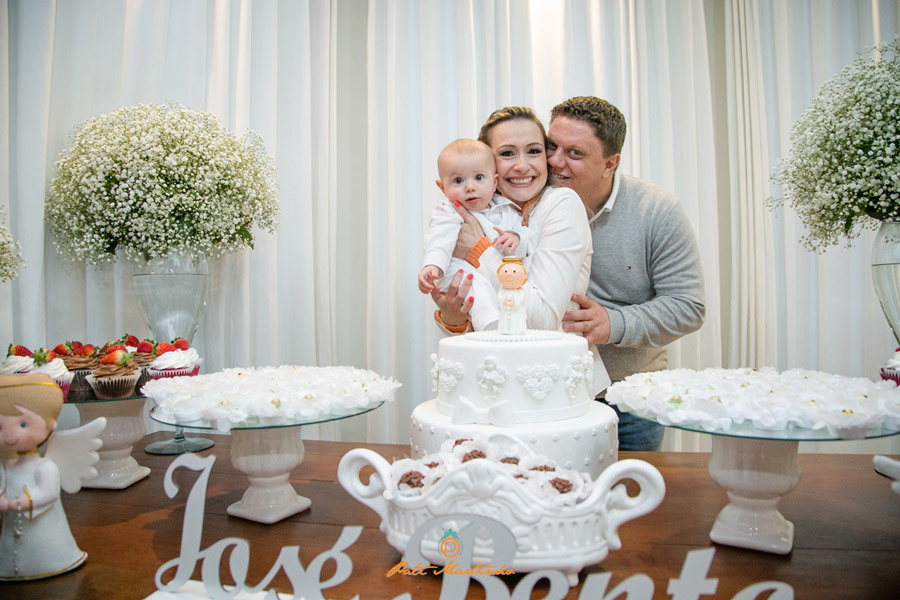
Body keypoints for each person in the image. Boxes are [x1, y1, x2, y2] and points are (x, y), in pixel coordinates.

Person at [550, 96, 706, 451]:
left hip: (630, 400)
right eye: (551, 146)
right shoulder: (524, 202)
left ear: (610, 163)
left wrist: (613, 324)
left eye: (574, 153)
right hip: (548, 393)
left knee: (634, 500)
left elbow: (688, 306)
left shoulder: (656, 211)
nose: (554, 162)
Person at [430, 106, 594, 337]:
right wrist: (454, 320)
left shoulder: (562, 203)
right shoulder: (468, 212)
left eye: (534, 151)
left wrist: (480, 251)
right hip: (493, 365)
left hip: (553, 366)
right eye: (507, 153)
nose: (522, 166)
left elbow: (543, 322)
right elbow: (482, 315)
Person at [418, 139, 529, 331]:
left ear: (494, 182)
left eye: (479, 178)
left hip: (493, 273)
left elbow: (525, 236)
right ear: (442, 188)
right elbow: (439, 239)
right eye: (458, 181)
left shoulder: (505, 209)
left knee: (495, 291)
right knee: (474, 284)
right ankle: (490, 327)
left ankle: (503, 323)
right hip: (459, 271)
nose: (469, 187)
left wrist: (516, 237)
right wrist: (432, 265)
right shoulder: (449, 211)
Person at [0, 373, 86, 579]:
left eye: (22, 425)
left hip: (44, 533)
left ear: (50, 425)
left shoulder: (45, 467)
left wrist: (21, 502)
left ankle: (53, 560)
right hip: (12, 528)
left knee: (44, 543)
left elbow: (48, 494)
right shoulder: (6, 465)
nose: (11, 436)